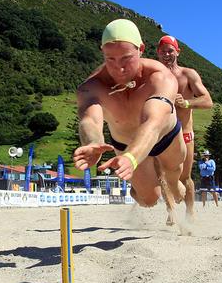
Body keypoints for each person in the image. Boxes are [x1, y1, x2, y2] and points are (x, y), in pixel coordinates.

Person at [73, 19, 187, 226]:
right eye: (110, 59)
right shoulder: (91, 87)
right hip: (125, 144)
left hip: (165, 136)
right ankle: (139, 188)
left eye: (126, 58)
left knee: (175, 182)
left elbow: (152, 123)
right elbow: (90, 119)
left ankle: (173, 184)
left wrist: (132, 158)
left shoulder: (161, 77)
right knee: (149, 200)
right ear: (102, 52)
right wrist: (92, 143)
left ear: (141, 49)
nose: (119, 68)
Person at [157, 35, 213, 219]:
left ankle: (190, 212)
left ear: (177, 52)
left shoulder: (188, 74)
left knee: (185, 177)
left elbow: (208, 101)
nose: (167, 54)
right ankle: (171, 210)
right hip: (162, 134)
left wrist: (187, 103)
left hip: (185, 131)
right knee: (162, 176)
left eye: (170, 50)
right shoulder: (153, 76)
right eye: (163, 51)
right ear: (158, 53)